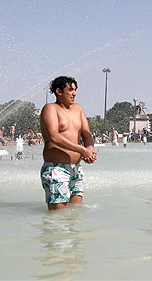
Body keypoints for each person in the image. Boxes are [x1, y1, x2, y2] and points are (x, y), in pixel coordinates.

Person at [40, 76, 97, 211]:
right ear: (59, 91)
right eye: (70, 90)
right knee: (58, 218)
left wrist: (90, 149)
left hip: (76, 169)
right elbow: (54, 136)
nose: (74, 93)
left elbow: (86, 133)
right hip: (56, 169)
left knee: (74, 216)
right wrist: (82, 150)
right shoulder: (50, 108)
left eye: (75, 90)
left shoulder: (78, 109)